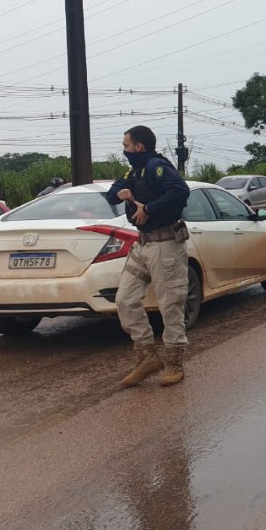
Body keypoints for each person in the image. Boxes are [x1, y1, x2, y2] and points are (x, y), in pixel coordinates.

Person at [104, 125, 191, 388]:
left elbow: (180, 192)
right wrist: (121, 193)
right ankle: (147, 356)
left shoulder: (157, 166)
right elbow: (111, 193)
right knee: (125, 300)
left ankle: (174, 363)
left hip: (165, 244)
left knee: (170, 304)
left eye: (127, 146)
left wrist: (149, 209)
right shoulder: (133, 171)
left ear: (139, 147)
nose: (125, 150)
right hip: (142, 245)